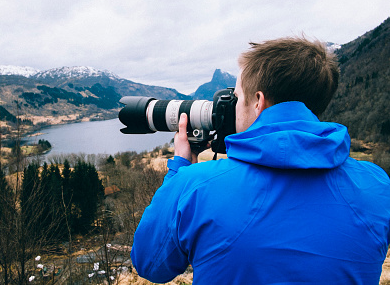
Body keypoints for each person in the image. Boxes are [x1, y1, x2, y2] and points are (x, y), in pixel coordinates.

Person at [130, 36, 390, 284]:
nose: (234, 107)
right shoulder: (377, 185)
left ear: (258, 102)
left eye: (239, 97)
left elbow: (150, 264)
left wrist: (180, 168)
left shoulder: (194, 187)